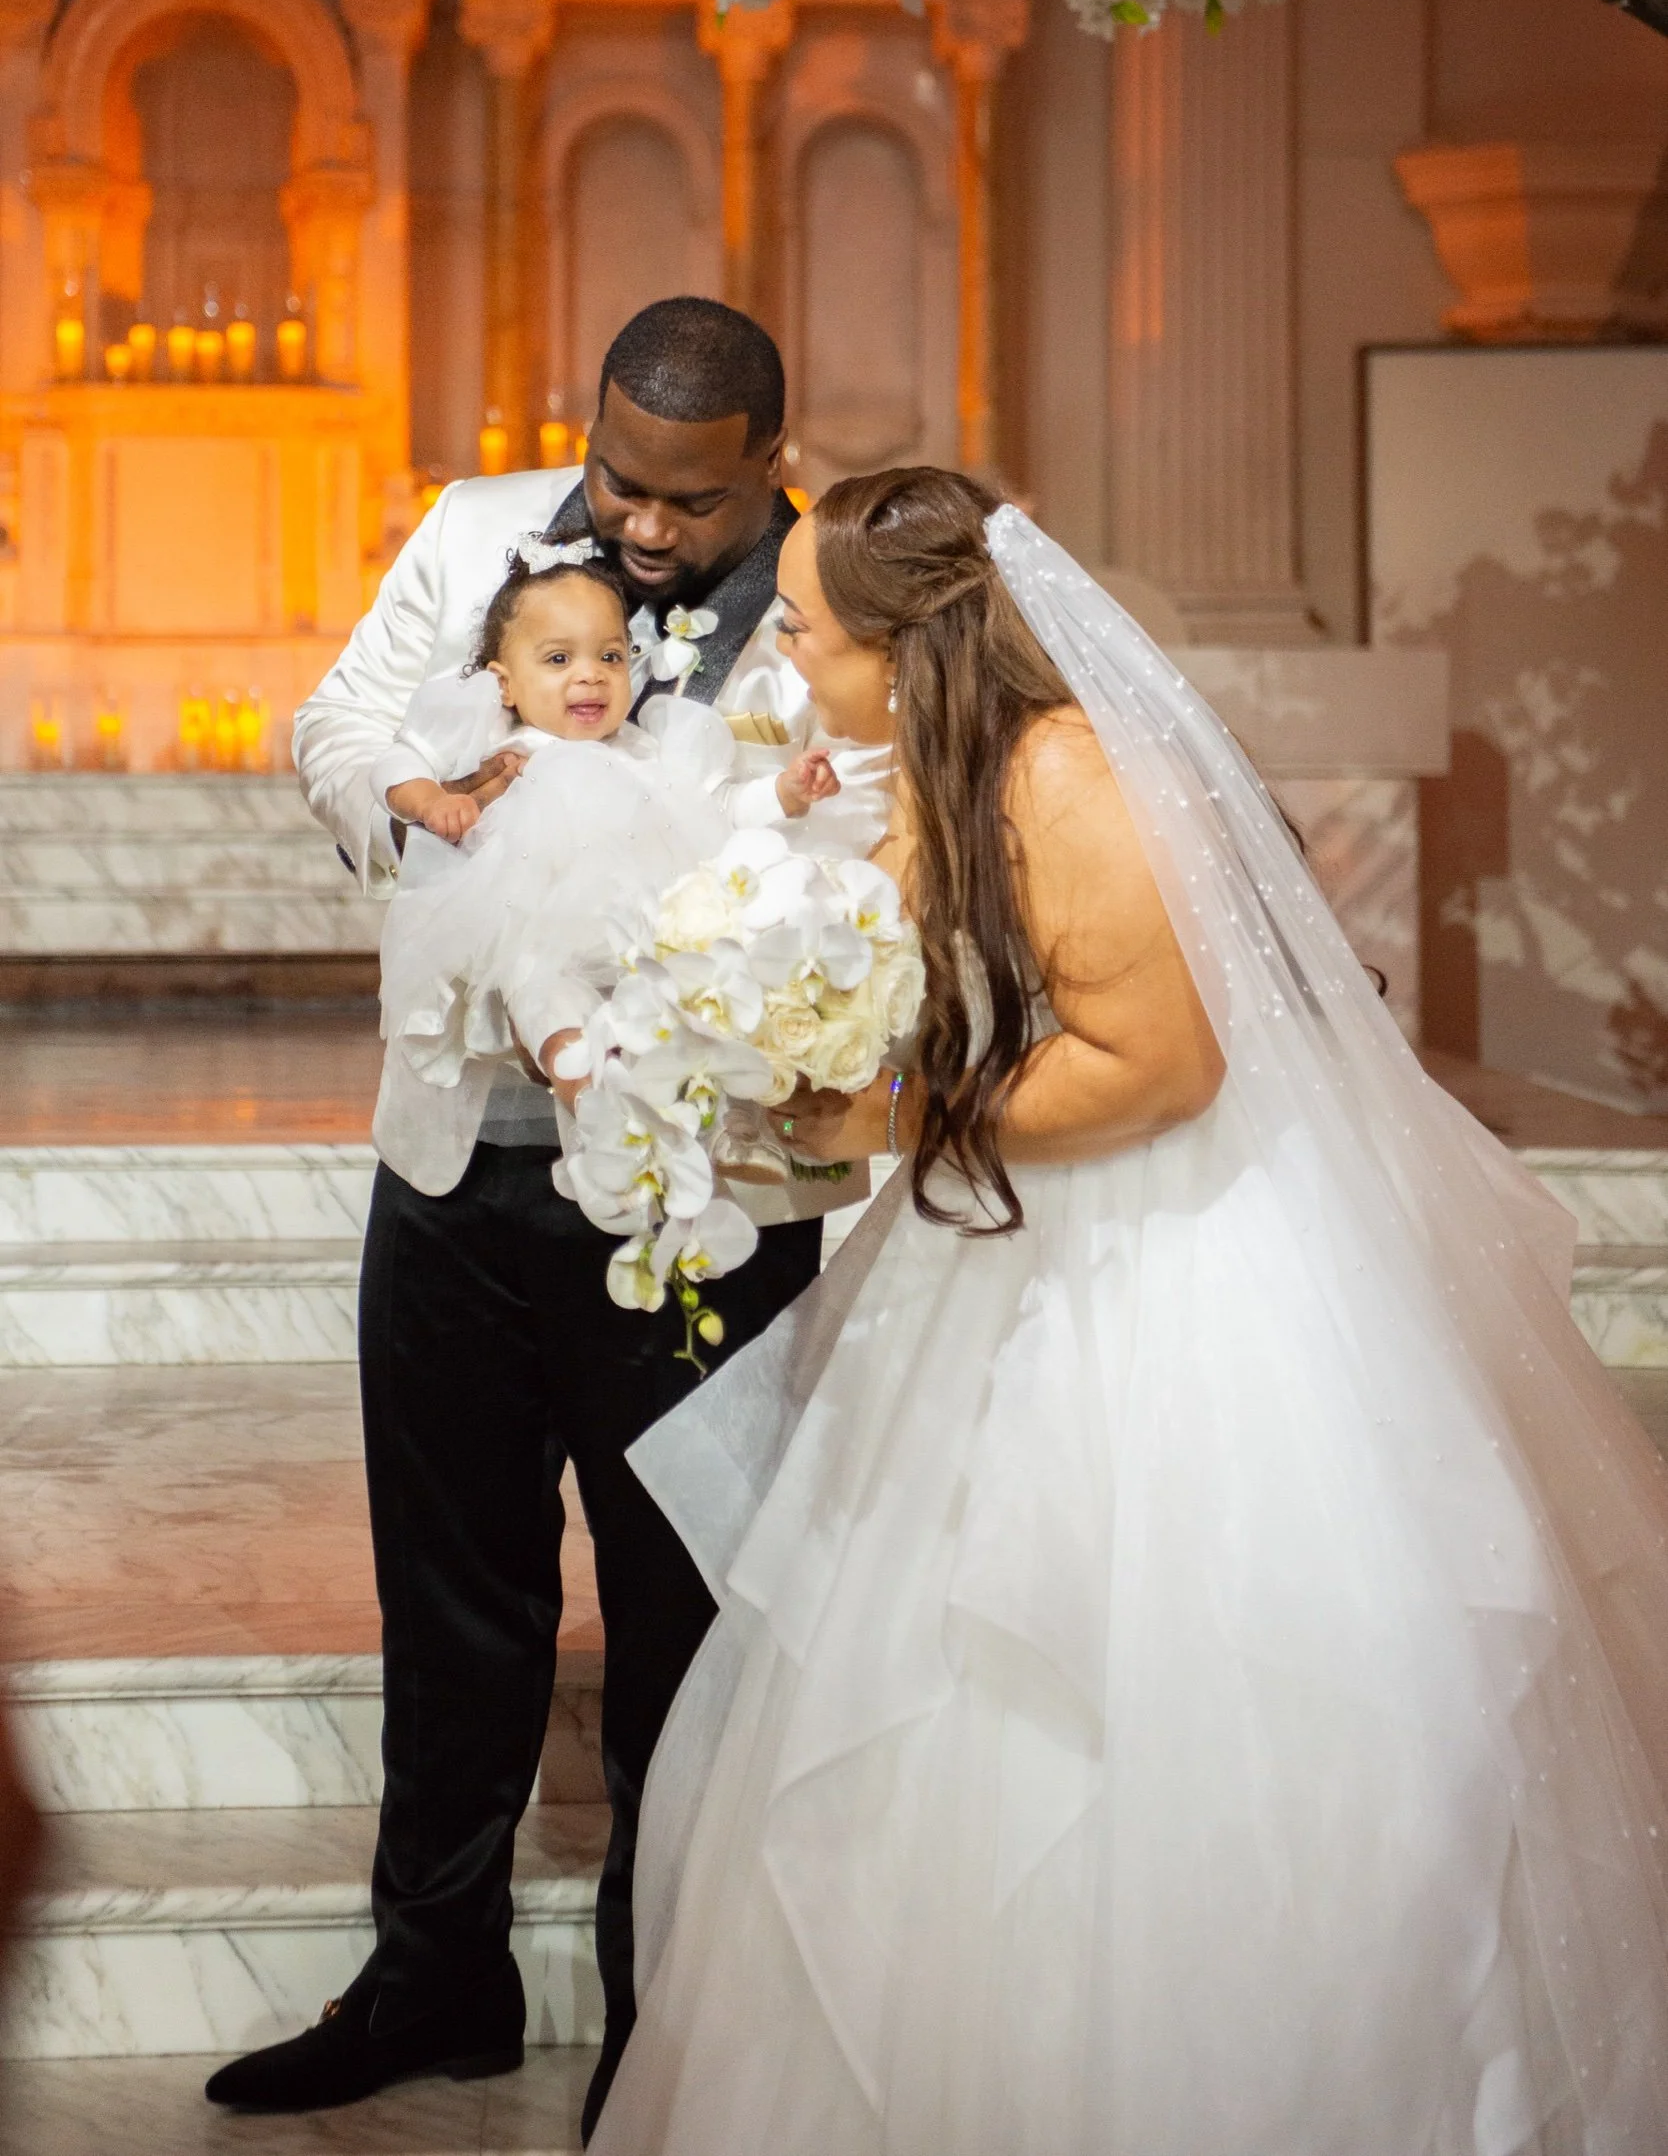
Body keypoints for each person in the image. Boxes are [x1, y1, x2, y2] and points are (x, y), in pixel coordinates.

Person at [584, 466, 1668, 2155]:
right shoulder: (938, 765)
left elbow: (1156, 1066)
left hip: (1156, 1270)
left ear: (897, 639)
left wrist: (888, 1117)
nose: (782, 649)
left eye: (801, 623)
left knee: (1136, 1689)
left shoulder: (1067, 779)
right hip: (995, 1245)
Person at [207, 300, 888, 2133]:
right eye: (615, 480)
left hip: (702, 1190)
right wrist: (410, 796)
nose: (637, 529)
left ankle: (663, 2025)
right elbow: (335, 718)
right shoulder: (469, 529)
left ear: (768, 455)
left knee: (683, 1612)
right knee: (451, 1596)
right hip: (453, 1161)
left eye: (682, 499)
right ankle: (432, 1978)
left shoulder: (840, 600)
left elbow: (867, 832)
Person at [370, 535, 845, 1195]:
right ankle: (587, 1088)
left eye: (611, 656)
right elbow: (396, 761)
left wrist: (787, 794)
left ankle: (728, 1128)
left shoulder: (651, 750)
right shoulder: (505, 750)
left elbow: (725, 808)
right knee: (543, 990)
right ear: (504, 683)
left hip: (647, 939)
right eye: (559, 658)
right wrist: (432, 801)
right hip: (538, 928)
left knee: (705, 1002)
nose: (590, 674)